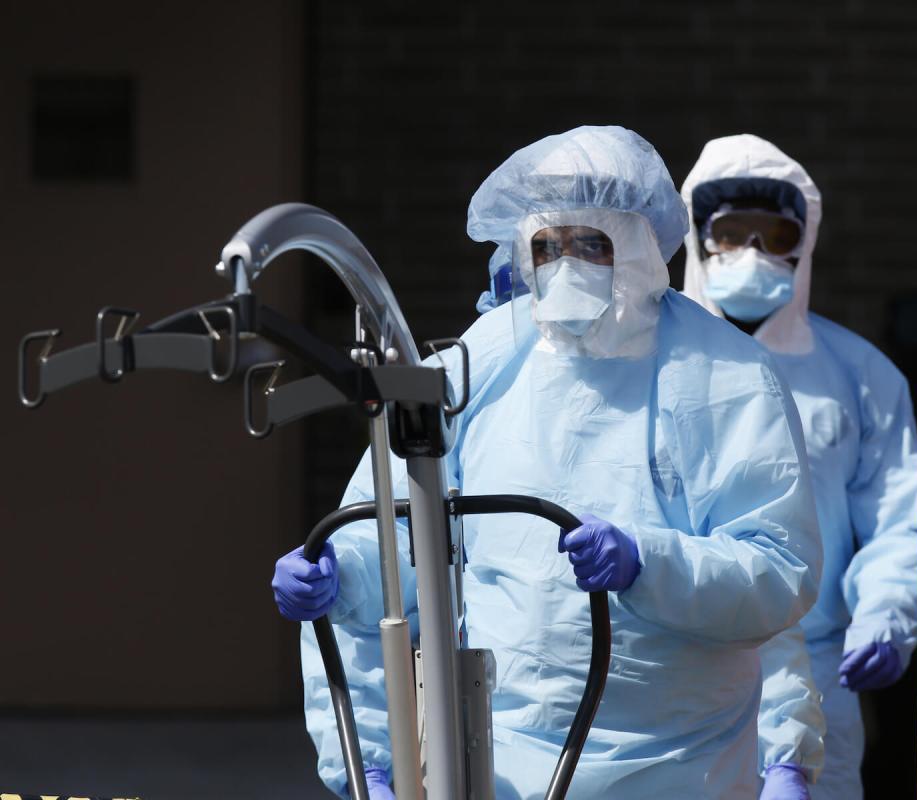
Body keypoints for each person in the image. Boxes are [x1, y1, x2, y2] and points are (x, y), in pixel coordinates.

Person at [272, 126, 824, 799]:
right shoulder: (481, 365)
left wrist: (650, 563)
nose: (567, 265)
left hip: (681, 764)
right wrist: (343, 573)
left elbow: (778, 572)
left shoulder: (725, 378)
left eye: (592, 243)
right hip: (500, 759)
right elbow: (398, 535)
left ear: (645, 245)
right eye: (547, 245)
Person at [680, 134, 917, 800]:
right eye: (731, 234)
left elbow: (904, 517)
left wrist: (887, 613)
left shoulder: (858, 376)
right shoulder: (651, 365)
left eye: (774, 233)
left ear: (804, 240)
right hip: (676, 672)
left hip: (819, 674)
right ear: (697, 236)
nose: (753, 254)